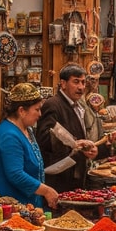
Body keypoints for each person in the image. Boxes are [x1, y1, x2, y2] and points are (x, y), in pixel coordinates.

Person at [0, 83, 59, 208]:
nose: (40, 114)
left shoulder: (27, 130)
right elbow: (15, 174)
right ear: (21, 111)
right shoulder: (9, 135)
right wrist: (46, 191)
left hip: (27, 204)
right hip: (11, 206)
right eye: (37, 109)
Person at [36, 64, 103, 194]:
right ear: (63, 83)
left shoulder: (79, 106)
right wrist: (74, 144)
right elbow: (44, 139)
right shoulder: (53, 105)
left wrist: (85, 149)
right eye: (76, 82)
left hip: (75, 176)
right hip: (59, 178)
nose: (81, 87)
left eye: (83, 82)